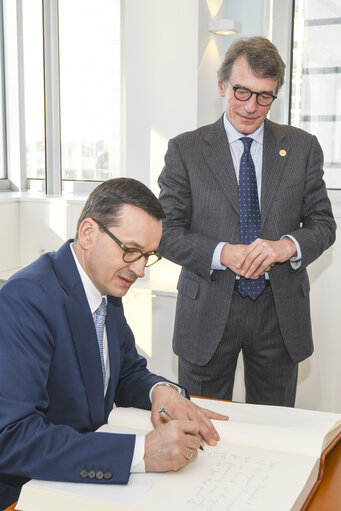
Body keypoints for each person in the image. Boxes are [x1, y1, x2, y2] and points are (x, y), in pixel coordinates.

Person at [0, 178, 227, 509]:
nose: (139, 269)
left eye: (147, 255)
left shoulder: (103, 286)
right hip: (27, 494)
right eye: (131, 250)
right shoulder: (26, 299)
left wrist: (160, 392)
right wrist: (141, 453)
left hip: (81, 480)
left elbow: (123, 369)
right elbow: (13, 438)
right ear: (89, 233)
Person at [158, 37, 336, 408]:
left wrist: (286, 246)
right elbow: (166, 233)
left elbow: (323, 224)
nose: (251, 106)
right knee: (201, 427)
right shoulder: (185, 149)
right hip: (207, 308)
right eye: (242, 91)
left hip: (278, 311)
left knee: (275, 428)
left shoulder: (302, 147)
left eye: (264, 96)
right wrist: (223, 254)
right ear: (222, 85)